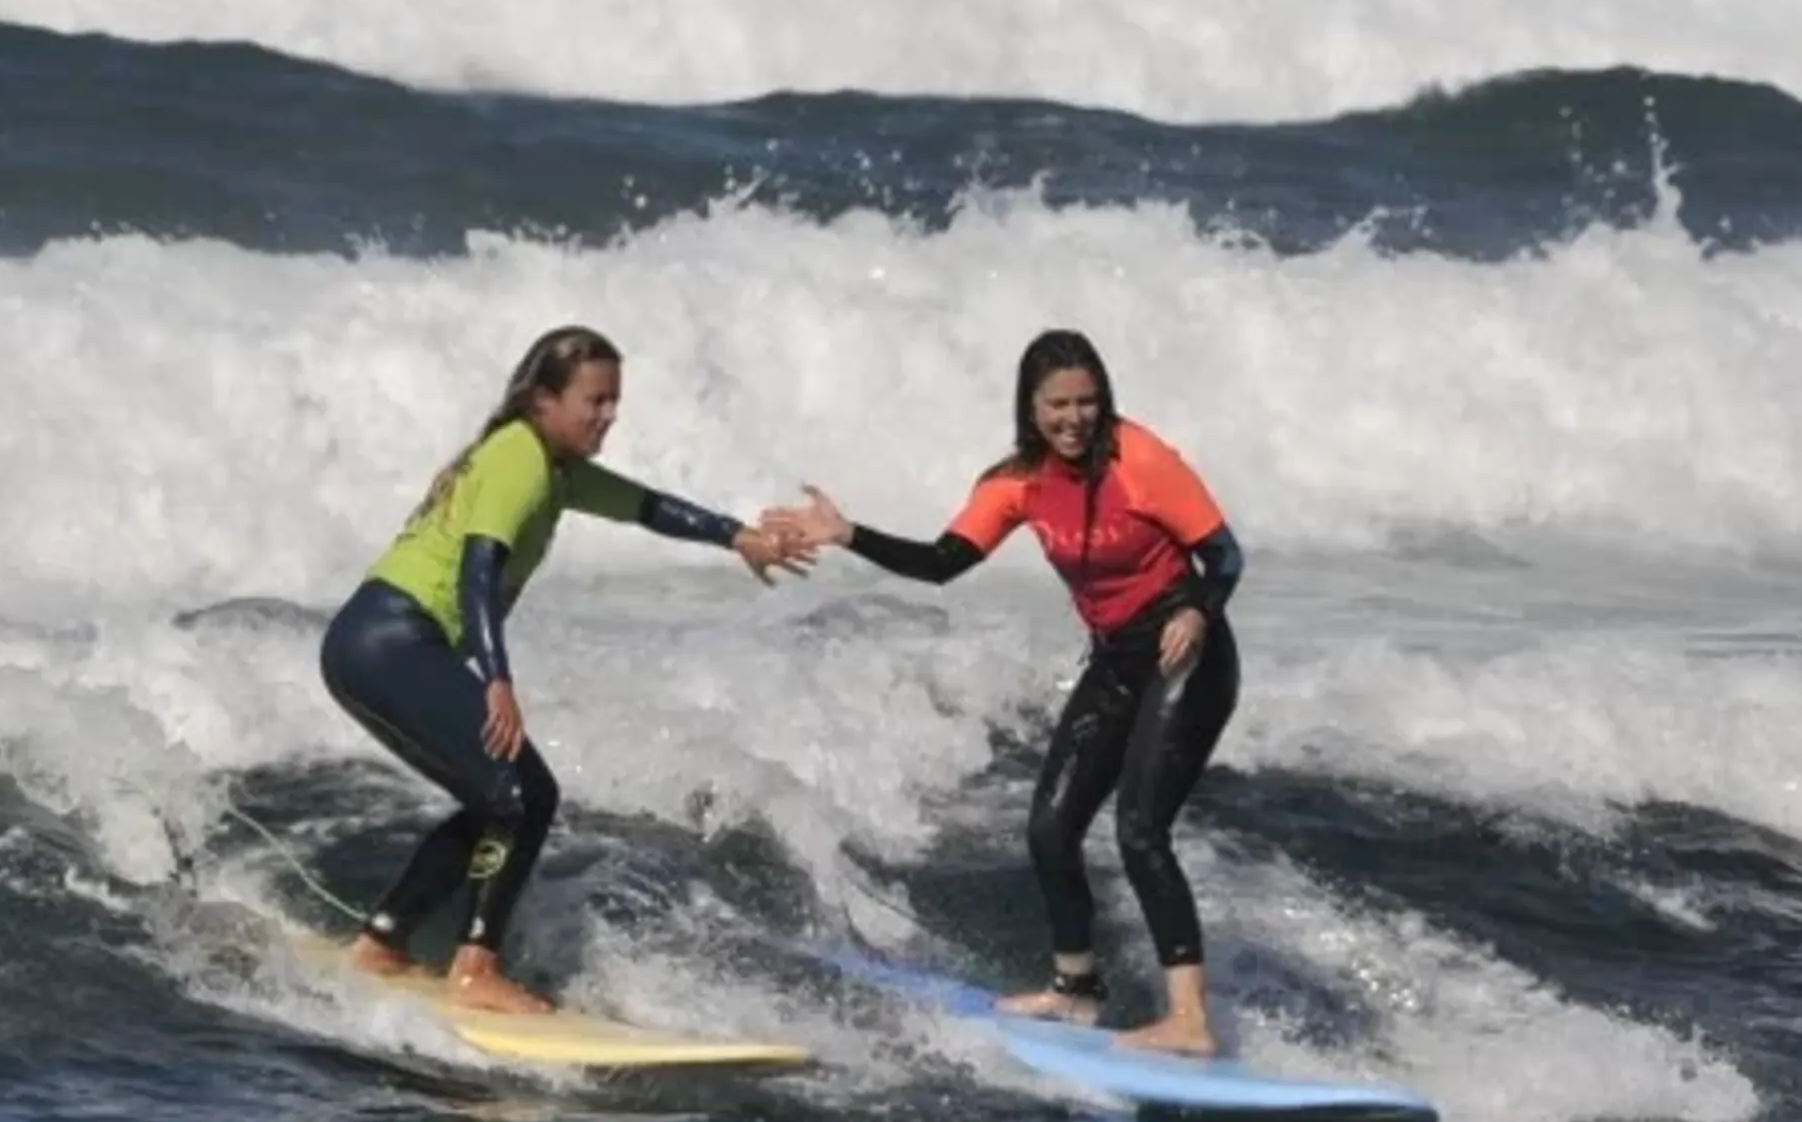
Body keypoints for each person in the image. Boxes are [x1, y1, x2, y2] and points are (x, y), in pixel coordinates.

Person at [770, 329, 1245, 1057]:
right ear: (1031, 406)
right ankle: (1076, 988)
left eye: (1088, 402)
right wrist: (847, 533)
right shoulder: (1017, 483)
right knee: (1050, 830)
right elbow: (940, 563)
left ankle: (1190, 1020)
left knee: (1141, 829)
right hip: (1117, 659)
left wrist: (1195, 610)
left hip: (1189, 652)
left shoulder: (1140, 458)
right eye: (1058, 405)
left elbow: (1224, 555)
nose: (1075, 419)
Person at [321, 323, 804, 1016]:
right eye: (595, 401)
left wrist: (739, 536)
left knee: (499, 799)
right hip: (391, 639)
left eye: (614, 402)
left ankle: (383, 942)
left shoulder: (553, 466)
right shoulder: (517, 454)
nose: (608, 416)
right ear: (543, 399)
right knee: (524, 794)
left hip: (368, 644)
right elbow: (477, 569)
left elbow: (648, 507)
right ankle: (475, 969)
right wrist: (496, 679)